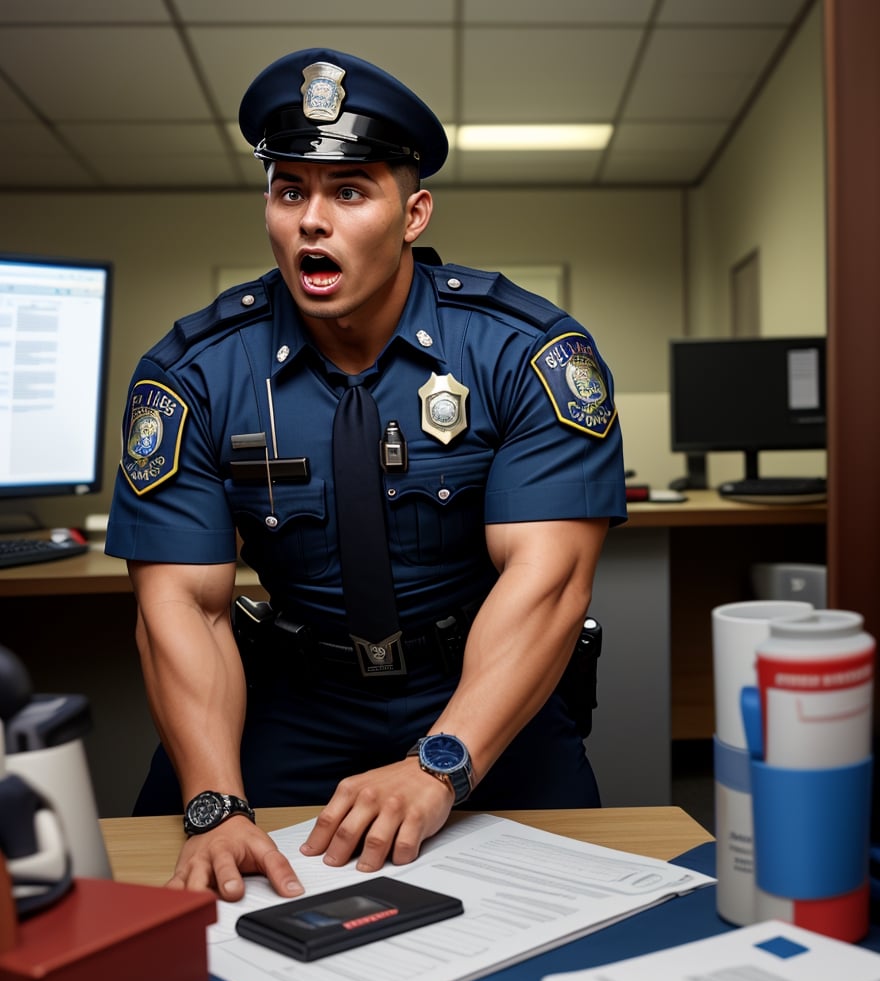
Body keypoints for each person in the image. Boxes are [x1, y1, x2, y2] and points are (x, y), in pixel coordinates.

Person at [105, 48, 627, 902]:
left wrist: (441, 763)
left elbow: (550, 582)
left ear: (412, 212)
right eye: (290, 191)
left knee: (570, 904)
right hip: (289, 696)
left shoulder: (525, 352)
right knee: (192, 905)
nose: (314, 220)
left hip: (477, 686)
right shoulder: (193, 374)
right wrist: (213, 802)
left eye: (349, 191)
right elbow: (185, 607)